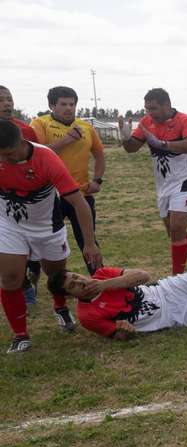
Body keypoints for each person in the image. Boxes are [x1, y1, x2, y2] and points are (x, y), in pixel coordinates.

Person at [0, 120, 102, 352]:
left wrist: (89, 243)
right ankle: (20, 334)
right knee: (10, 278)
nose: (3, 160)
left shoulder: (45, 158)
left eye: (7, 154)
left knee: (55, 273)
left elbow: (78, 202)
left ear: (20, 144)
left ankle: (60, 307)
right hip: (9, 225)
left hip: (46, 225)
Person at [119, 88, 187, 275]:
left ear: (167, 105)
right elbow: (132, 149)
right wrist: (126, 137)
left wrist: (164, 144)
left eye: (153, 108)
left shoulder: (185, 120)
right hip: (164, 184)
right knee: (174, 232)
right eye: (147, 109)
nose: (149, 113)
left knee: (178, 230)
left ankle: (177, 278)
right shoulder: (146, 122)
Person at [48, 260, 187, 340]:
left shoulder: (102, 274)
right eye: (73, 285)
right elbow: (118, 336)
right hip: (174, 316)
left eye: (76, 276)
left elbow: (143, 276)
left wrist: (104, 285)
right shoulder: (87, 316)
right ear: (69, 296)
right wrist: (125, 331)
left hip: (168, 289)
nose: (80, 281)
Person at [31, 86, 106, 274]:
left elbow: (99, 154)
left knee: (88, 240)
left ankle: (100, 280)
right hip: (48, 196)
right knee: (41, 240)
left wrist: (97, 180)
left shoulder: (86, 127)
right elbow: (36, 154)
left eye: (72, 104)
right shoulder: (40, 124)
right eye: (63, 104)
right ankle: (31, 278)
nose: (68, 108)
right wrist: (66, 140)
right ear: (51, 106)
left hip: (79, 194)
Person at [0, 86, 41, 309]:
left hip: (24, 198)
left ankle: (30, 277)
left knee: (28, 246)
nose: (7, 104)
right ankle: (22, 285)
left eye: (9, 99)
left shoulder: (26, 130)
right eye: (1, 100)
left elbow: (38, 163)